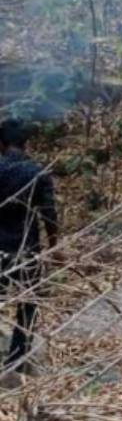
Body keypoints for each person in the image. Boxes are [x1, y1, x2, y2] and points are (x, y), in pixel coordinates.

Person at [0, 118, 59, 379]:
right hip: (26, 250)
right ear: (26, 144)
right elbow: (49, 215)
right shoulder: (37, 173)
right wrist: (55, 247)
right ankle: (15, 361)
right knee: (27, 305)